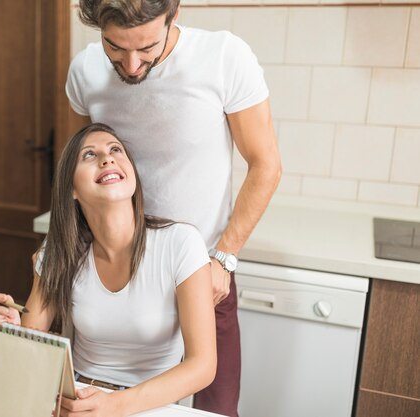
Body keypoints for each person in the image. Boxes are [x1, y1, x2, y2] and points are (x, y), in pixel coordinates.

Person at [66, 1, 282, 416]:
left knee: (215, 409)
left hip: (204, 270)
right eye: (114, 47)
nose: (130, 66)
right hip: (116, 271)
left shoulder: (223, 58)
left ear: (173, 16)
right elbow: (77, 165)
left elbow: (266, 164)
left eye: (146, 47)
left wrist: (224, 257)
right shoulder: (84, 71)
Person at [0, 123, 217, 416]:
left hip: (150, 407)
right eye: (89, 155)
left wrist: (114, 406)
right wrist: (1, 332)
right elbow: (28, 342)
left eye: (116, 150)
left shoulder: (180, 243)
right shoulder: (58, 252)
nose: (107, 158)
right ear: (73, 189)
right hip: (75, 400)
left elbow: (203, 366)